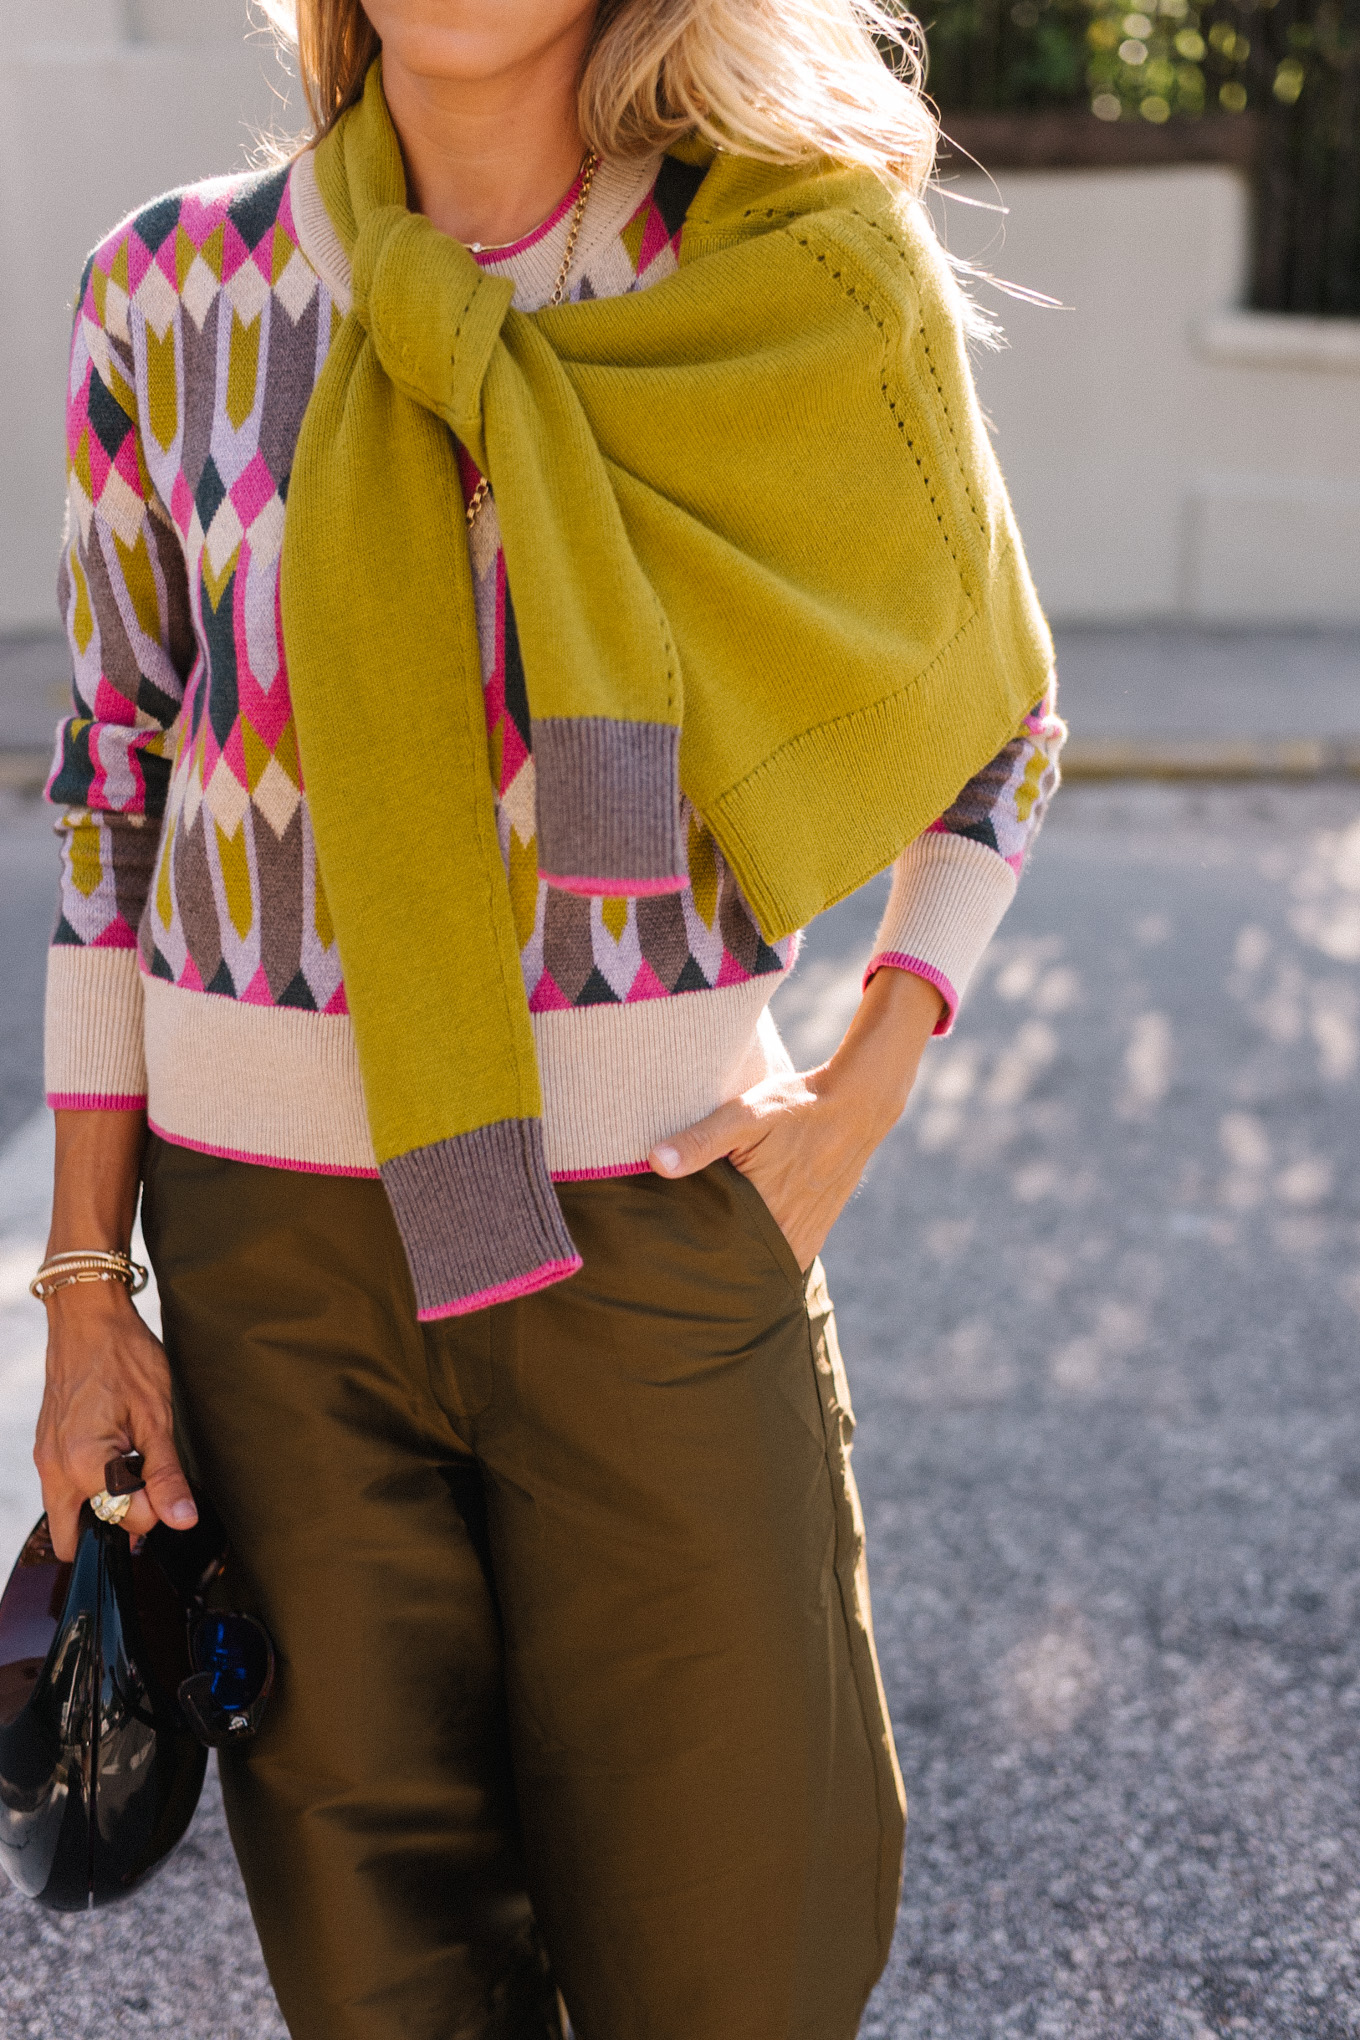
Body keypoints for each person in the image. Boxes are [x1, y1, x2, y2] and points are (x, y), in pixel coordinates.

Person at [32, 1, 1064, 2034]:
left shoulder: (784, 273)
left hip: (652, 1232)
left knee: (737, 1952)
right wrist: (85, 1283)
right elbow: (112, 787)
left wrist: (863, 1084)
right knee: (381, 1979)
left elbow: (996, 716)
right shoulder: (170, 290)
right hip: (270, 1273)